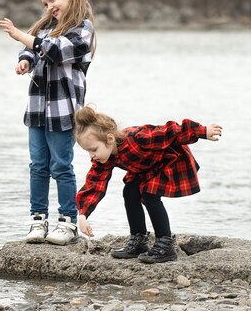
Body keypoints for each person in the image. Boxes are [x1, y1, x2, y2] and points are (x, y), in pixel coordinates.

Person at [0, 0, 96, 245]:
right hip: (38, 110)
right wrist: (25, 60)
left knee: (61, 166)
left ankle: (68, 222)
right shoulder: (43, 28)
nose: (49, 6)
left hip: (63, 112)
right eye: (44, 3)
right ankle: (38, 220)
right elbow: (33, 49)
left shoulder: (82, 29)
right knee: (38, 166)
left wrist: (20, 35)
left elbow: (54, 50)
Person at [74, 106, 223, 263]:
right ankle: (138, 240)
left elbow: (171, 131)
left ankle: (165, 244)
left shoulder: (138, 137)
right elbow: (94, 184)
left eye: (94, 149)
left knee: (149, 194)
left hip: (169, 161)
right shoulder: (103, 159)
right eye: (87, 152)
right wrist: (83, 214)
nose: (92, 155)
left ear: (110, 139)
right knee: (130, 192)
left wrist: (202, 131)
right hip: (145, 169)